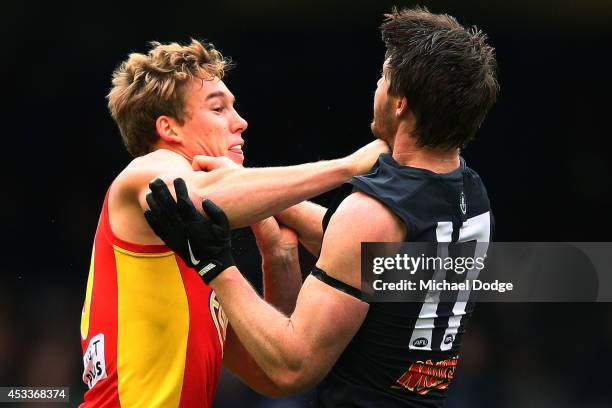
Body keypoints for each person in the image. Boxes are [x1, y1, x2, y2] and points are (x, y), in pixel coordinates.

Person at [145, 7, 499, 407]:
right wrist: (261, 196)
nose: (377, 87)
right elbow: (360, 253)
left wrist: (214, 264)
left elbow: (293, 367)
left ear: (401, 103)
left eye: (383, 77)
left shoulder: (371, 214)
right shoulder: (470, 191)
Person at [79, 38, 387, 407]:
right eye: (218, 109)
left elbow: (273, 373)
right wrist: (348, 167)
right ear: (169, 129)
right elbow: (195, 196)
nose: (240, 122)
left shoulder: (196, 251)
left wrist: (279, 255)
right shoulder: (147, 171)